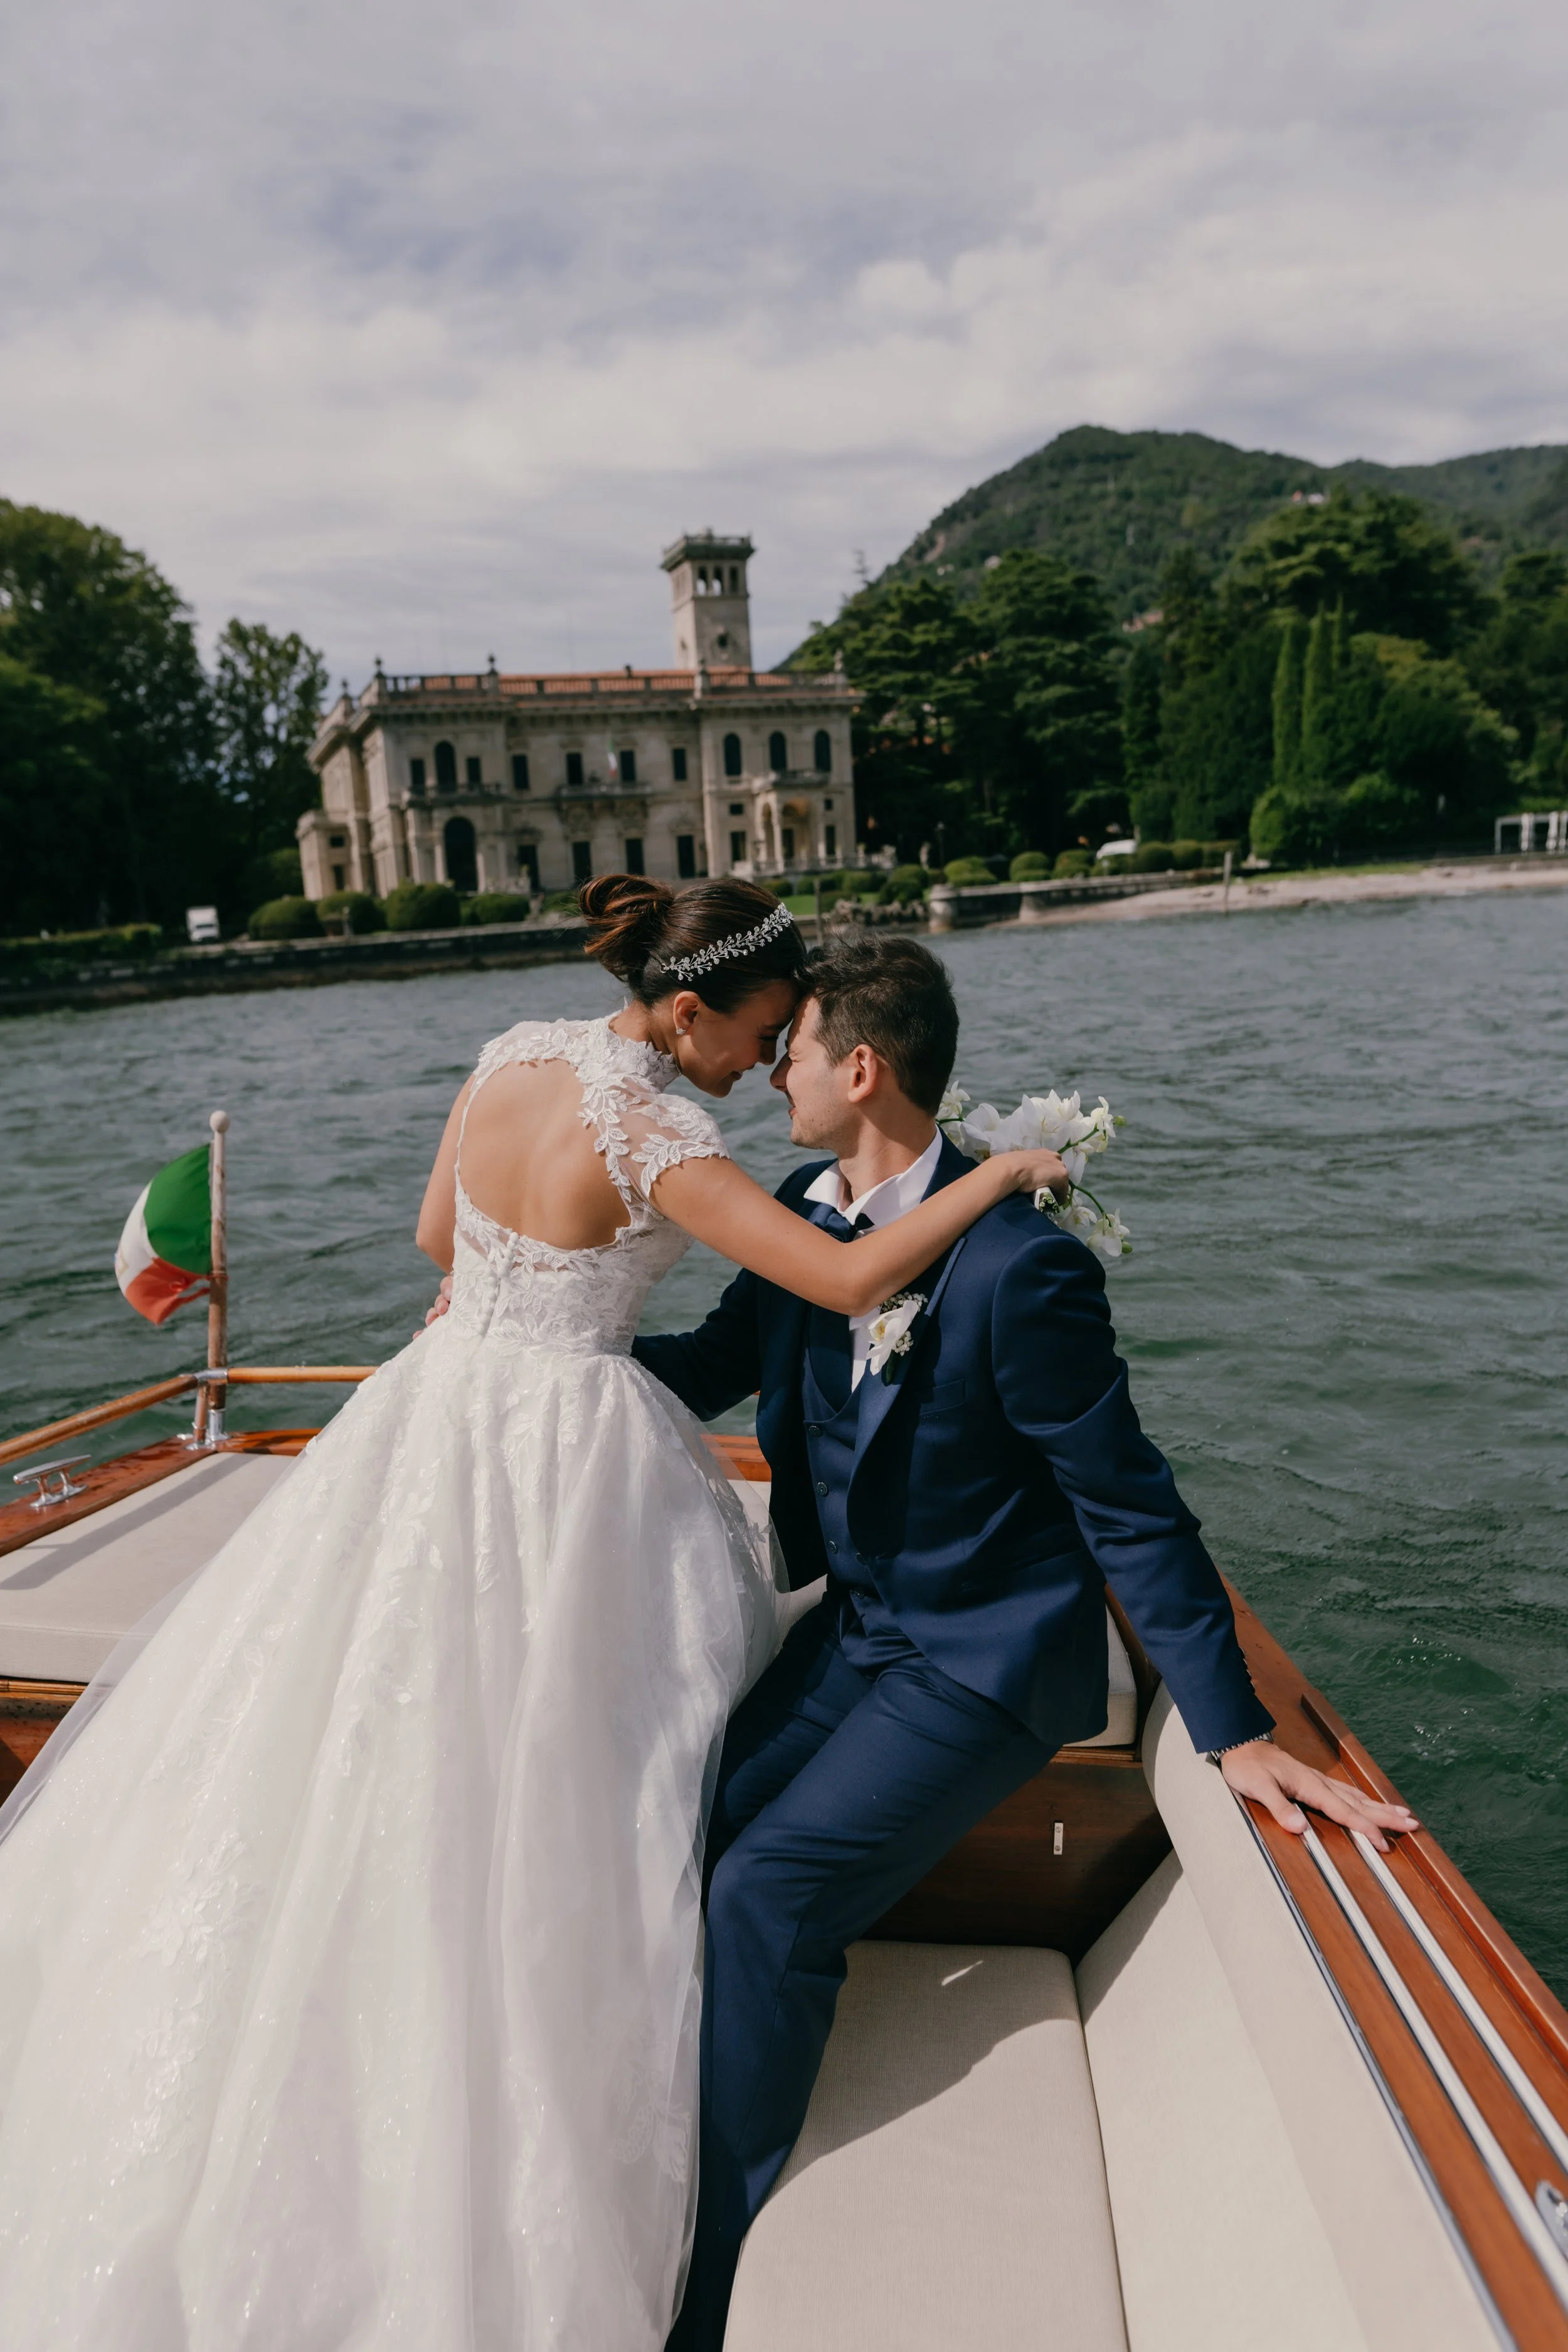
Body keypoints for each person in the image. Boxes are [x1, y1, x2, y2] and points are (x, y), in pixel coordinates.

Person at [0, 876, 1066, 2352]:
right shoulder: (662, 1139)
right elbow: (836, 1273)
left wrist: (516, 1312)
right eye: (756, 1033)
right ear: (688, 1006)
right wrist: (1000, 1176)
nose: (766, 1067)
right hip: (567, 1465)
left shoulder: (508, 1052)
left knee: (370, 1740)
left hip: (430, 1425)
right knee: (569, 1783)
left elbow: (438, 1237)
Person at [631, 930, 1419, 2352]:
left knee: (762, 1893)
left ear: (856, 1067)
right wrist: (509, 1350)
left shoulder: (1017, 1272)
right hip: (857, 1636)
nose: (770, 1076)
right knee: (679, 1826)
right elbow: (697, 1370)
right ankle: (647, 2150)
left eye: (792, 1052)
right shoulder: (806, 1213)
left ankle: (711, 2267)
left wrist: (1232, 1731)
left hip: (977, 1665)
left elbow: (1129, 1506)